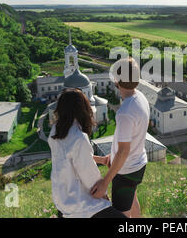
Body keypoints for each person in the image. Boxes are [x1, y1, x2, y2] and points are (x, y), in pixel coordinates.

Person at [48, 88, 126, 218]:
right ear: (82, 109)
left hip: (62, 199)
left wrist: (99, 159)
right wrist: (103, 194)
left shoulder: (56, 132)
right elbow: (88, 174)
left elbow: (69, 157)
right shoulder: (79, 137)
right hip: (81, 203)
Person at [91, 57, 149, 218]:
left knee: (122, 215)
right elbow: (133, 138)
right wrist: (114, 156)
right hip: (138, 163)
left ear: (117, 81)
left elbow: (124, 151)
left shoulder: (125, 113)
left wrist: (105, 182)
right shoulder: (140, 98)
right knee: (132, 199)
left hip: (125, 170)